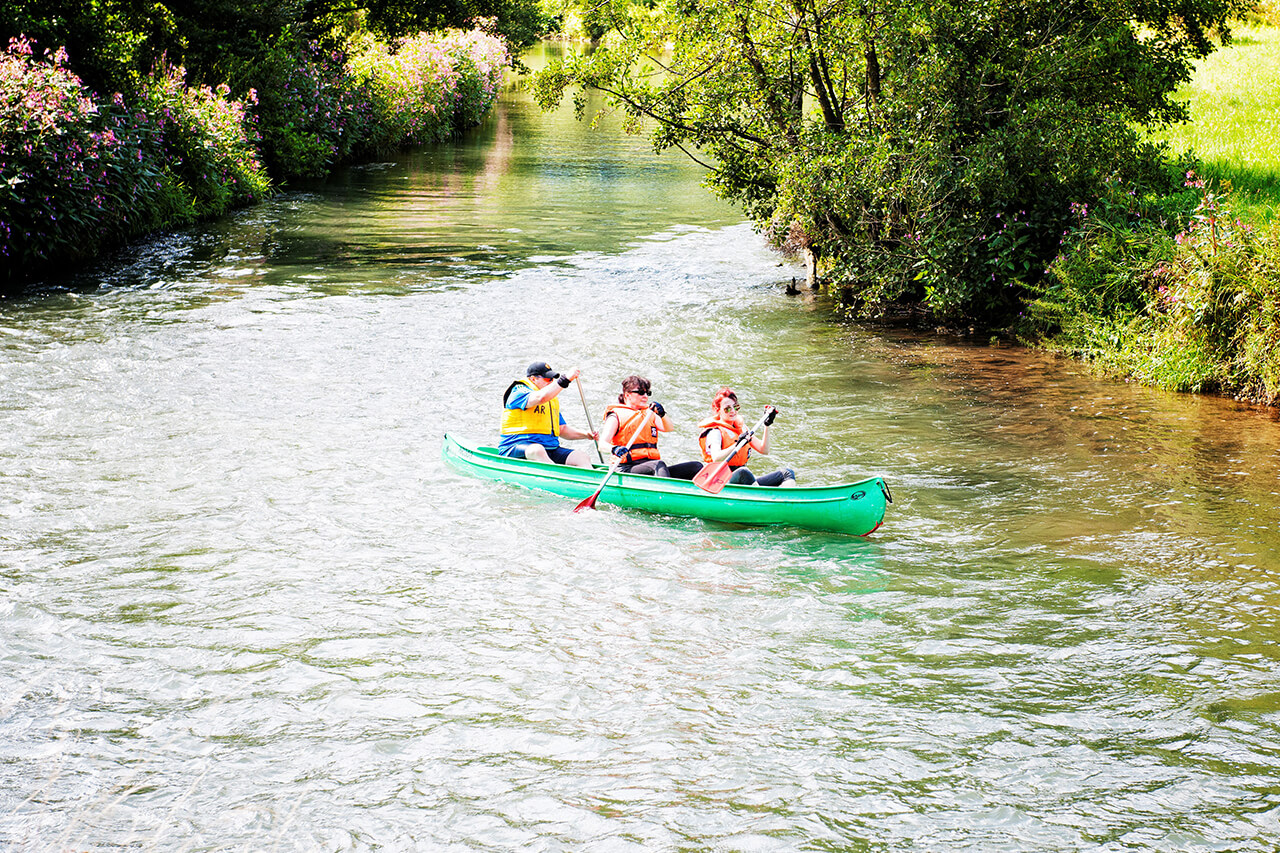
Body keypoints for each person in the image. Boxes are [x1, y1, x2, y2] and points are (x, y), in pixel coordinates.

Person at [597, 375, 702, 479]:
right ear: (627, 395)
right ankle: (664, 494)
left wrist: (662, 414)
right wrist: (615, 449)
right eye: (641, 393)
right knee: (658, 465)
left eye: (648, 393)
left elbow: (668, 428)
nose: (645, 396)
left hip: (650, 466)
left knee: (695, 466)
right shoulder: (615, 416)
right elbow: (602, 445)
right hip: (626, 468)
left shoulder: (649, 414)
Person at [498, 361, 597, 467]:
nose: (551, 382)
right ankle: (559, 478)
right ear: (533, 379)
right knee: (537, 450)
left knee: (581, 456)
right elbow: (540, 398)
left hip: (549, 448)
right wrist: (566, 379)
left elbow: (562, 429)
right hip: (515, 447)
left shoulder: (550, 400)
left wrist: (586, 434)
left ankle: (593, 480)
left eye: (552, 379)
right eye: (547, 379)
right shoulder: (518, 391)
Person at [697, 387, 796, 487]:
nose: (733, 411)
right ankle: (761, 499)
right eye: (727, 408)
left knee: (787, 473)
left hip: (742, 480)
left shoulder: (741, 428)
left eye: (735, 407)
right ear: (718, 410)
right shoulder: (715, 432)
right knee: (743, 472)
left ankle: (786, 500)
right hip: (722, 481)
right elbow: (716, 458)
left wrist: (767, 425)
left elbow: (764, 450)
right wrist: (736, 445)